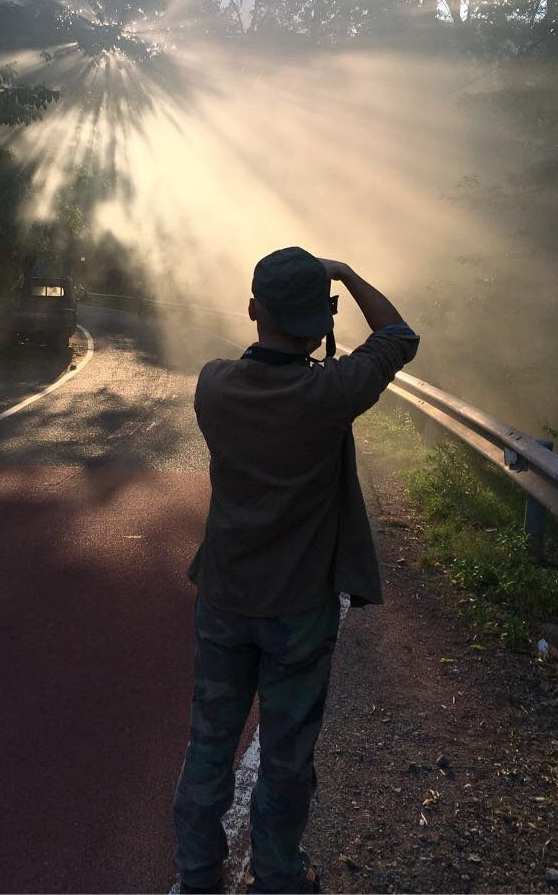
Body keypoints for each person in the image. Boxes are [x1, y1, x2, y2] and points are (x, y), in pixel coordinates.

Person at [173, 247, 420, 895]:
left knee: (208, 745)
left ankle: (196, 876)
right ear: (320, 325)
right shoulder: (331, 394)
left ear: (254, 310)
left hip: (225, 597)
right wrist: (347, 273)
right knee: (285, 758)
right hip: (299, 609)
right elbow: (399, 335)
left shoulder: (214, 384)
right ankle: (277, 877)